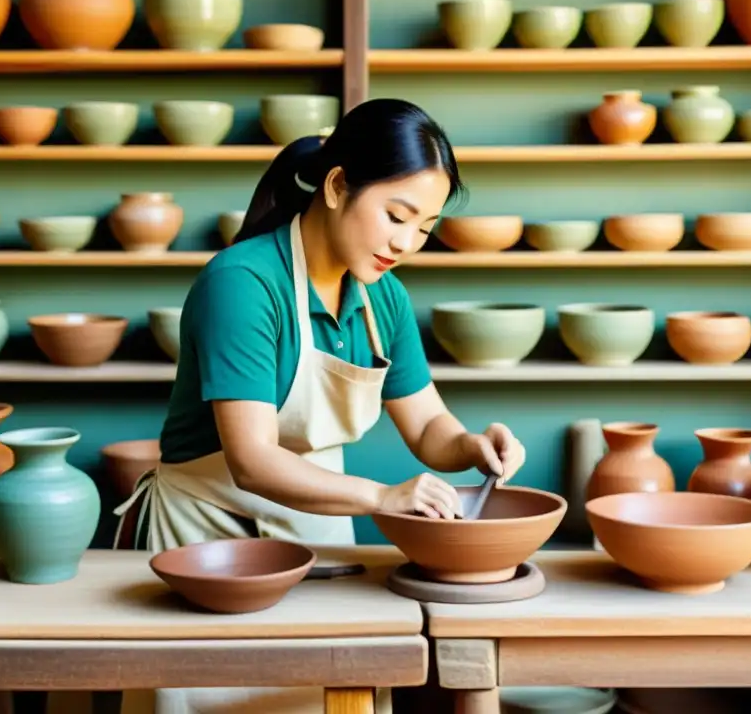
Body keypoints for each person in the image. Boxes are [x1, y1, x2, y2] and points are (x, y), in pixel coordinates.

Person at [114, 97, 526, 714]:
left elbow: (429, 426)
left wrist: (471, 447)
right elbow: (251, 459)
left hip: (320, 530)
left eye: (425, 226)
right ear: (337, 186)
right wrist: (381, 498)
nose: (408, 242)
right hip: (210, 541)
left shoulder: (382, 298)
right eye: (397, 215)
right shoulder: (244, 284)